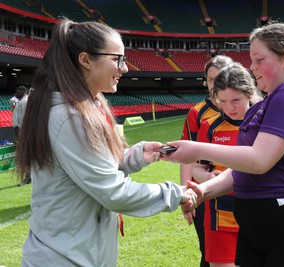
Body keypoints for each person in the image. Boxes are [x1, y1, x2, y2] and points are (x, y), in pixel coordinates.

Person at [15, 18, 196, 267]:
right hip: (65, 258)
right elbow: (113, 193)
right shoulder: (70, 117)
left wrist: (134, 156)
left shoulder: (85, 107)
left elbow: (90, 167)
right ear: (86, 60)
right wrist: (176, 194)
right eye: (117, 59)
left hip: (74, 253)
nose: (125, 68)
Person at [164, 22, 284, 267]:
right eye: (251, 60)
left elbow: (258, 160)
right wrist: (203, 192)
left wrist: (197, 148)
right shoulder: (269, 102)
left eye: (259, 59)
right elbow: (244, 168)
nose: (252, 67)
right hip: (258, 227)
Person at [191, 62, 262, 267]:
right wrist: (206, 178)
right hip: (219, 215)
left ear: (250, 93)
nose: (230, 107)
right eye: (223, 101)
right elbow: (197, 167)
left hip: (259, 212)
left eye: (236, 100)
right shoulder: (209, 127)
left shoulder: (265, 122)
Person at [180, 55, 233, 267]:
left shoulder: (249, 108)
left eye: (221, 77)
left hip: (243, 193)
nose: (216, 83)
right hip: (206, 193)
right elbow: (187, 156)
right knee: (210, 253)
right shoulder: (197, 113)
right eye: (211, 79)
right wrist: (186, 192)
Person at [14, 86, 32, 186]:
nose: (16, 93)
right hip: (31, 131)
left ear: (22, 91)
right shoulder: (30, 101)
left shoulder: (22, 102)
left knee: (25, 155)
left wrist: (17, 135)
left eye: (17, 91)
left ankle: (28, 177)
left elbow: (17, 121)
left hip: (25, 131)